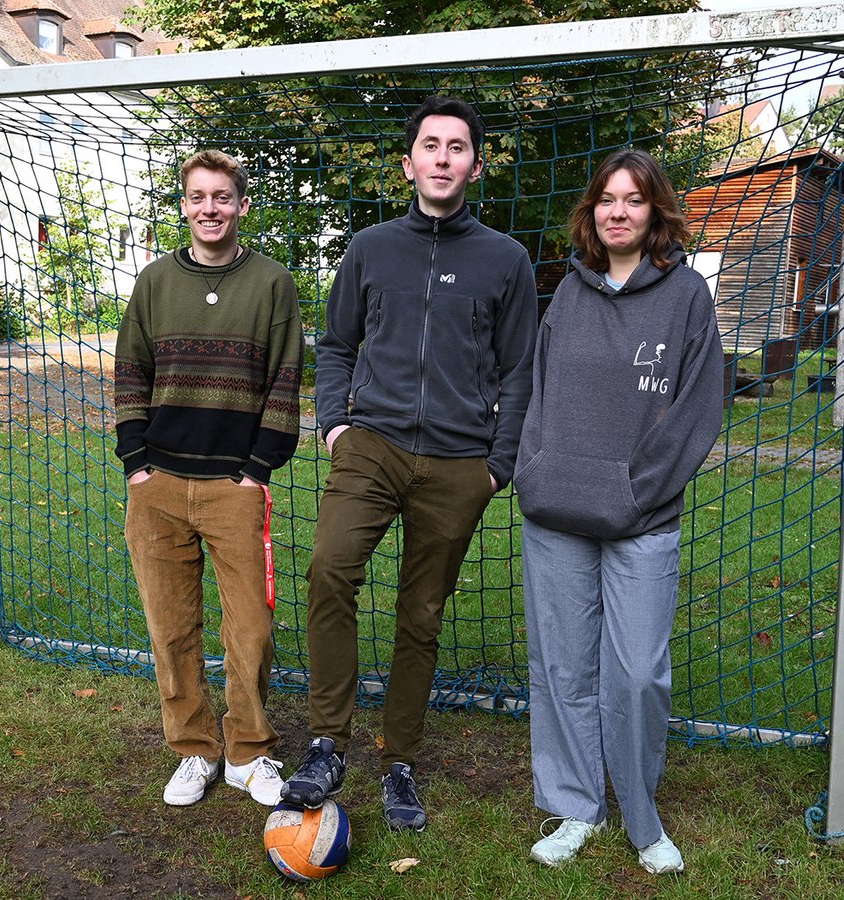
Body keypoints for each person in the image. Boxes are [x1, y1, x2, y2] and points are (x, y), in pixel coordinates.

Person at [281, 95, 539, 831]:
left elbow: (520, 371)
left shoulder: (506, 260)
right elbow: (334, 345)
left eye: (457, 147)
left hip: (461, 463)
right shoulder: (370, 248)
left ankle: (400, 759)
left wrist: (498, 467)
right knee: (330, 568)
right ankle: (328, 742)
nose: (443, 158)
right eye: (431, 146)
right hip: (372, 445)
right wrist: (333, 426)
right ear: (409, 162)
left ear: (474, 167)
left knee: (420, 615)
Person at [513, 148, 724, 874]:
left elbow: (697, 408)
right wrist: (533, 472)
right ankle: (575, 807)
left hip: (641, 518)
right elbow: (537, 395)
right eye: (607, 199)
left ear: (655, 209)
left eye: (633, 199)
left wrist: (636, 490)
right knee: (563, 668)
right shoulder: (567, 292)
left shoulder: (687, 292)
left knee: (636, 673)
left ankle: (641, 816)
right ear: (592, 211)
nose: (618, 211)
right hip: (556, 514)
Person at [114, 150, 305, 808]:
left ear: (242, 205)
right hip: (158, 485)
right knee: (171, 629)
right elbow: (130, 372)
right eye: (198, 197)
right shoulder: (154, 283)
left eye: (222, 196)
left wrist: (258, 470)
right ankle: (194, 749)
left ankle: (249, 752)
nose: (210, 208)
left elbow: (285, 381)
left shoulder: (272, 283)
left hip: (234, 486)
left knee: (249, 629)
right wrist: (136, 463)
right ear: (184, 205)